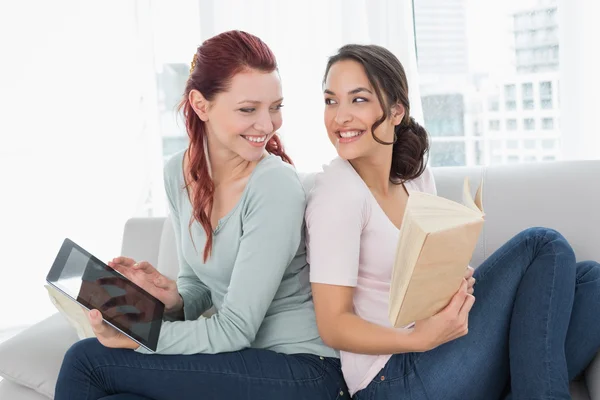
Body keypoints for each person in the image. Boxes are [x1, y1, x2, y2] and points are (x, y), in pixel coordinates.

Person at [54, 30, 347, 400]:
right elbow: (200, 284)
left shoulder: (275, 186)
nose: (268, 124)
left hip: (302, 370)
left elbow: (235, 329)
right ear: (201, 104)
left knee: (87, 361)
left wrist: (139, 338)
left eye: (275, 107)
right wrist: (172, 299)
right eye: (248, 109)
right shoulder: (177, 174)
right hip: (242, 362)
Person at [304, 43, 600, 400]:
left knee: (591, 281)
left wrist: (457, 280)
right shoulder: (337, 193)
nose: (340, 117)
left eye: (359, 100)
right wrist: (417, 338)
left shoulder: (413, 176)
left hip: (439, 346)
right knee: (544, 244)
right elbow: (333, 325)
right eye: (330, 100)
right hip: (392, 378)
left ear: (396, 111)